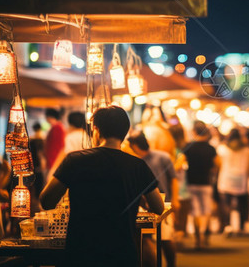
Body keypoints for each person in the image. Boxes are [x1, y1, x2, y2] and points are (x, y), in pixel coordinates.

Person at [40, 106, 164, 267]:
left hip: (81, 252)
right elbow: (158, 207)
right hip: (122, 253)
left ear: (96, 130)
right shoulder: (138, 165)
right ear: (125, 133)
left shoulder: (74, 160)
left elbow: (46, 201)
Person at [128, 130, 179, 267]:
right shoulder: (137, 161)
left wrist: (175, 199)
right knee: (147, 239)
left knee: (166, 238)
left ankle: (171, 264)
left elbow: (174, 179)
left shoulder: (162, 157)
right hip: (147, 205)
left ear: (134, 145)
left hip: (164, 202)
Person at [182, 121, 220, 248]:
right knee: (207, 210)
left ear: (194, 132)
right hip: (206, 182)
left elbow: (180, 162)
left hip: (192, 182)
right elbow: (218, 163)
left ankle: (198, 239)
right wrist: (213, 171)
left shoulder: (188, 147)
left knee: (195, 211)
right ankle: (206, 234)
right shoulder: (210, 148)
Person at [217, 128, 249, 234]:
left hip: (226, 178)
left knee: (227, 203)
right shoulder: (246, 150)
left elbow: (218, 163)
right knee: (242, 204)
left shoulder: (223, 148)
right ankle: (241, 226)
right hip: (241, 178)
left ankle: (228, 225)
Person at [43, 108, 66, 176]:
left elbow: (58, 146)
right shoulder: (57, 127)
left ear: (49, 117)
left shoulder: (57, 127)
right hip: (53, 160)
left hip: (54, 160)